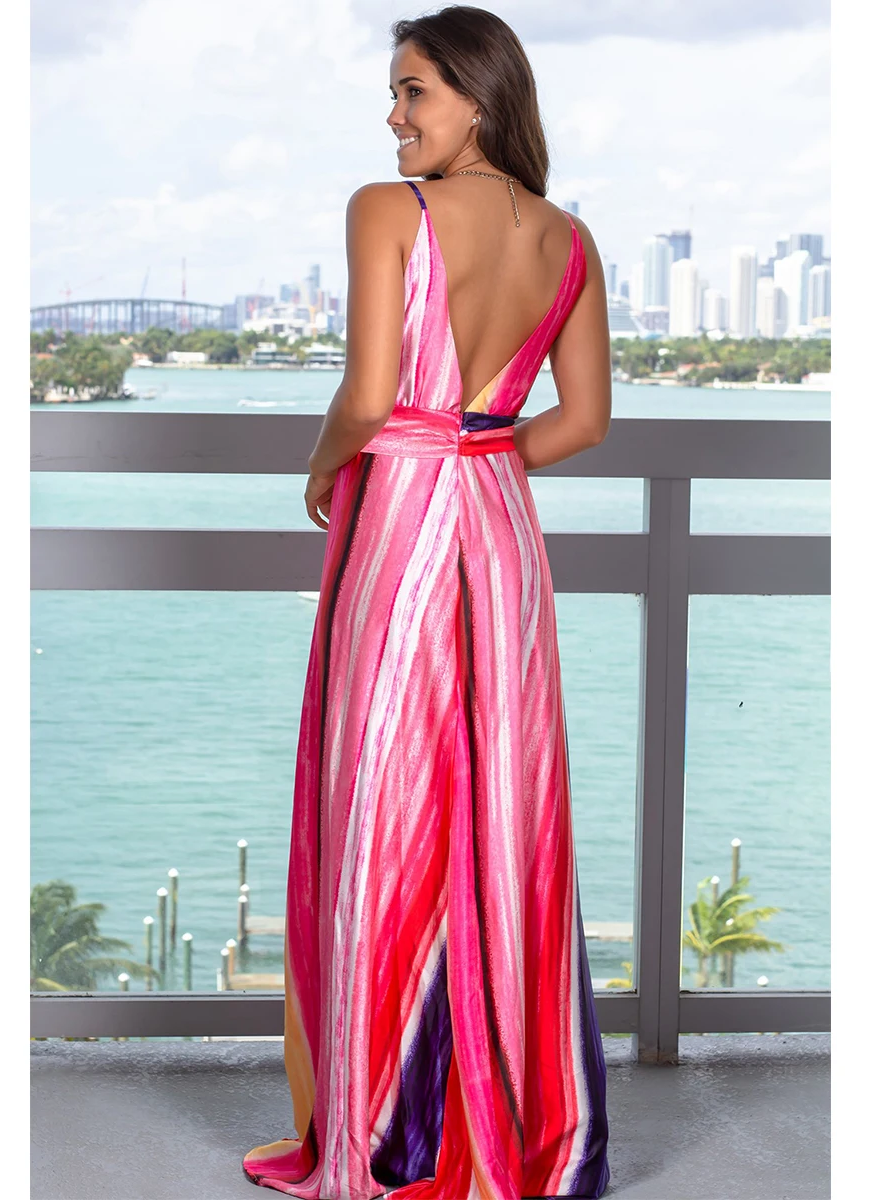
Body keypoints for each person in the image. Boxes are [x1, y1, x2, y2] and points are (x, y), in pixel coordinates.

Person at [243, 5, 612, 1197]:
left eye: (414, 91)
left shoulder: (385, 210)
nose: (394, 115)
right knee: (501, 809)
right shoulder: (571, 240)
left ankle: (386, 1127)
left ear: (479, 96)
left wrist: (324, 470)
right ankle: (510, 1118)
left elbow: (366, 395)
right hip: (499, 529)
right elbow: (586, 422)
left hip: (398, 518)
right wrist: (481, 455)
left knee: (384, 804)